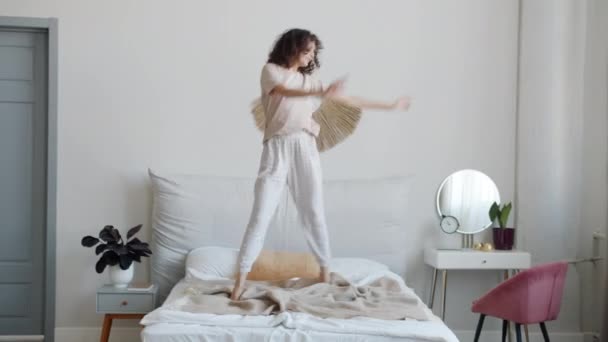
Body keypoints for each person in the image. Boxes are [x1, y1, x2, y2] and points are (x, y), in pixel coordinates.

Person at [231, 28, 410, 300]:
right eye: (307, 50)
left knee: (313, 212)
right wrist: (321, 90)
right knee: (261, 215)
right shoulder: (271, 71)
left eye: (313, 51)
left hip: (305, 145)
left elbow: (349, 100)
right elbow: (283, 92)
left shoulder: (310, 81)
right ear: (292, 48)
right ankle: (239, 282)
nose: (311, 55)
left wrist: (389, 106)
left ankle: (325, 274)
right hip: (277, 147)